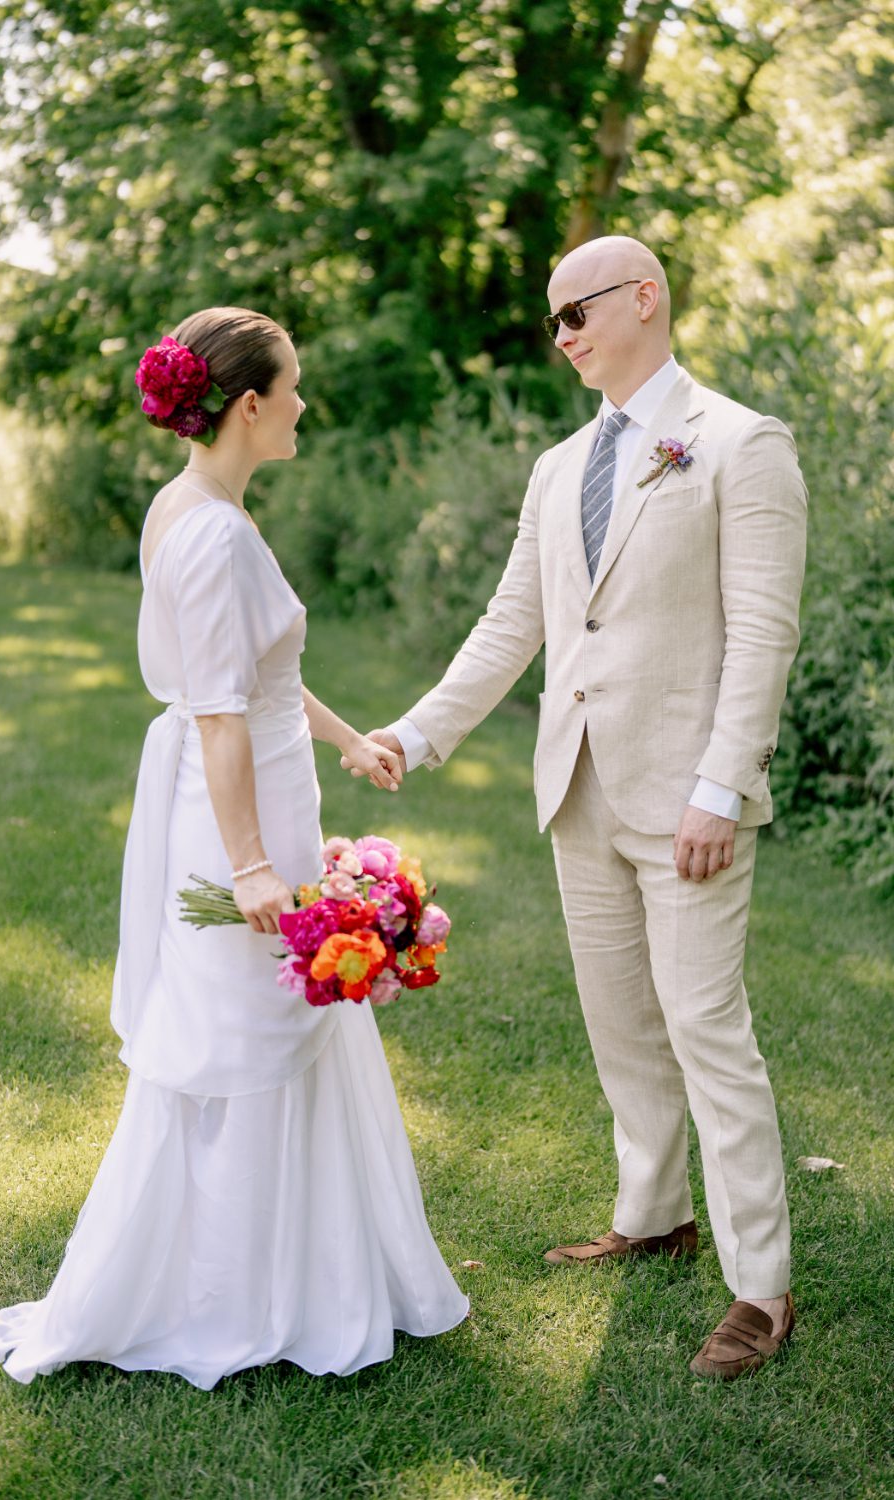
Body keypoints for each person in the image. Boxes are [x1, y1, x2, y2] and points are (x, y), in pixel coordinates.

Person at [0, 307, 468, 1387]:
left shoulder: (203, 509)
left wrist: (349, 742)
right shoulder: (206, 529)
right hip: (233, 815)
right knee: (240, 1036)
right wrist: (250, 864)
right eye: (291, 387)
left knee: (282, 1023)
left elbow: (263, 675)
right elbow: (217, 714)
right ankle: (226, 1297)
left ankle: (304, 1274)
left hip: (274, 791)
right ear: (248, 404)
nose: (302, 405)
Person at [355, 237, 807, 1380]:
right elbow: (517, 620)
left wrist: (721, 784)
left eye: (574, 313)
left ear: (642, 298)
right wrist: (418, 731)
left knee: (707, 1028)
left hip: (686, 798)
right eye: (551, 321)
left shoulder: (740, 445)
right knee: (620, 1025)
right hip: (579, 789)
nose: (560, 337)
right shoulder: (560, 467)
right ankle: (652, 1215)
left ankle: (761, 1287)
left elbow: (762, 633)